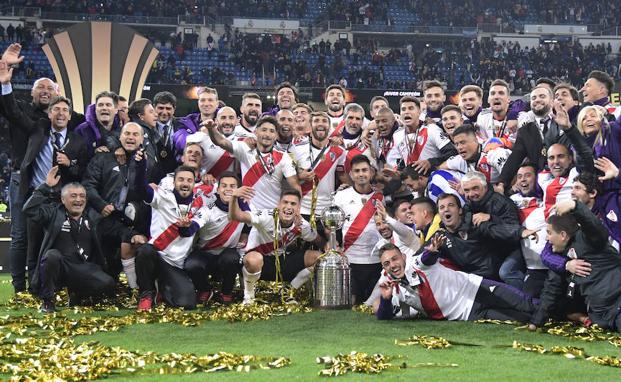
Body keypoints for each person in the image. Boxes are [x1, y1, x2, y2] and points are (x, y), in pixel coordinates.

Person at [23, 166, 115, 313]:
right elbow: (29, 210)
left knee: (108, 283)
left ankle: (77, 293)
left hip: (82, 267)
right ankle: (47, 301)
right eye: (73, 196)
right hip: (59, 267)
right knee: (52, 255)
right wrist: (45, 187)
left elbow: (115, 231)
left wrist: (132, 235)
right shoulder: (53, 213)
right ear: (63, 199)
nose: (78, 200)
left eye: (82, 196)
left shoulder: (93, 217)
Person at [374, 242, 538, 322]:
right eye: (386, 263)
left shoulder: (415, 263)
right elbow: (384, 317)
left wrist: (432, 251)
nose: (392, 266)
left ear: (403, 257)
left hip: (477, 289)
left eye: (394, 259)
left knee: (528, 304)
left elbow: (427, 259)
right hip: (469, 313)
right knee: (522, 318)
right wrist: (386, 299)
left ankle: (561, 311)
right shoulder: (390, 285)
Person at [531, 199, 621, 332]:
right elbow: (551, 290)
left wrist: (576, 206)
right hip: (602, 315)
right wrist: (536, 322)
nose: (546, 238)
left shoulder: (589, 241)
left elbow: (594, 227)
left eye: (549, 233)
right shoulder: (562, 259)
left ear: (562, 235)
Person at [134, 161, 210, 311]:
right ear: (173, 182)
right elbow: (141, 189)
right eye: (181, 179)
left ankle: (161, 289)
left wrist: (184, 228)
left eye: (189, 180)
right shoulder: (163, 196)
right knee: (145, 251)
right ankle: (146, 294)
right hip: (156, 255)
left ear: (194, 184)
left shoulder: (201, 207)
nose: (185, 183)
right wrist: (140, 166)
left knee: (187, 303)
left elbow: (189, 231)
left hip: (175, 265)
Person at [83, 122, 149, 288]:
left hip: (129, 220)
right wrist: (101, 205)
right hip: (102, 218)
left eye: (135, 135)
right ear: (120, 137)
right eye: (127, 134)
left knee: (131, 240)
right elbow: (88, 184)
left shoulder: (147, 163)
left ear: (141, 139)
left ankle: (136, 288)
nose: (131, 138)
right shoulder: (103, 158)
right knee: (102, 268)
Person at [229, 187, 321, 304]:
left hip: (282, 262)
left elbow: (319, 240)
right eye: (285, 202)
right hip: (261, 263)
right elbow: (236, 216)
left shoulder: (302, 224)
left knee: (320, 258)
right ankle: (248, 297)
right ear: (278, 205)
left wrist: (330, 245)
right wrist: (234, 197)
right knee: (254, 260)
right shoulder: (266, 216)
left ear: (298, 208)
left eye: (293, 204)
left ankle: (289, 291)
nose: (288, 206)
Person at [205, 115, 300, 210]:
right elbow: (221, 142)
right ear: (256, 132)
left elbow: (295, 185)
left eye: (272, 131)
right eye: (264, 130)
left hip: (273, 212)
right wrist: (211, 129)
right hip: (247, 211)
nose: (267, 134)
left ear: (276, 136)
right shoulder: (244, 149)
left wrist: (297, 210)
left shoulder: (283, 157)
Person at [185, 172, 246, 304]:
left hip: (226, 255)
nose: (228, 189)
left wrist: (245, 236)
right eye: (224, 186)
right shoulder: (208, 210)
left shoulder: (244, 210)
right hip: (204, 254)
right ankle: (205, 289)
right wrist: (186, 227)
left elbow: (254, 223)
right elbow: (193, 226)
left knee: (232, 258)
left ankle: (226, 292)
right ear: (217, 190)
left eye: (232, 186)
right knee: (191, 265)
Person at [333, 155, 384, 304]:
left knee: (372, 304)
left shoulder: (381, 196)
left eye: (364, 170)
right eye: (357, 171)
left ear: (371, 172)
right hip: (350, 260)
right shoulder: (340, 196)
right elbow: (333, 227)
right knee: (351, 303)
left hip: (375, 260)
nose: (361, 174)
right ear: (351, 174)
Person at [291, 111, 347, 222]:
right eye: (316, 121)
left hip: (328, 209)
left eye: (324, 121)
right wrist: (299, 176)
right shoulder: (296, 149)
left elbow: (342, 175)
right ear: (310, 127)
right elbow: (286, 177)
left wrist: (348, 187)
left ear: (329, 128)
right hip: (302, 209)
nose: (320, 124)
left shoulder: (340, 151)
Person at [510, 164, 548, 297]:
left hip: (552, 259)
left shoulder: (547, 198)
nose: (523, 180)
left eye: (527, 175)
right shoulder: (511, 200)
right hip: (530, 261)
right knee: (506, 271)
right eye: (519, 177)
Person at [75, 91, 121, 158]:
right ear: (95, 109)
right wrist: (93, 152)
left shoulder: (123, 131)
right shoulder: (82, 130)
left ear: (116, 109)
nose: (104, 108)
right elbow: (74, 157)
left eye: (108, 105)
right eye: (100, 105)